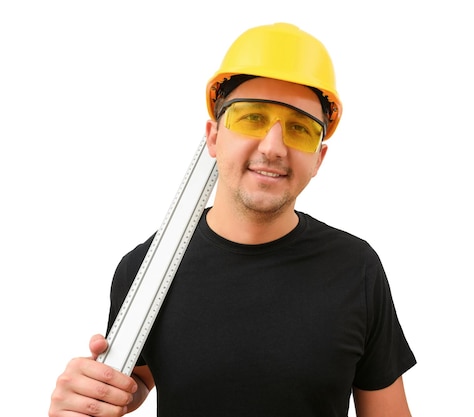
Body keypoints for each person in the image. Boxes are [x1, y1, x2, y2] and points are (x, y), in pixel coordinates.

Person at [48, 22, 416, 417]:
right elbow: (140, 375)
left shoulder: (356, 269)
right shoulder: (146, 269)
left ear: (318, 159)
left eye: (299, 129)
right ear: (213, 135)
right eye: (252, 118)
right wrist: (101, 394)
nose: (274, 147)